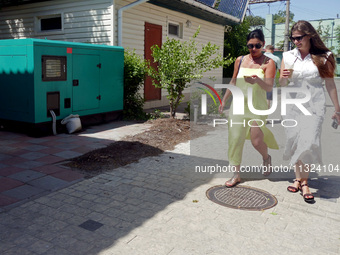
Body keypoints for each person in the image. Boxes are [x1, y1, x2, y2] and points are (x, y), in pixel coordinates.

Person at [279, 20, 340, 203]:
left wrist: (337, 109)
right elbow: (281, 84)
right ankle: (298, 178)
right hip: (292, 105)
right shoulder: (288, 56)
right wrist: (282, 78)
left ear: (309, 36)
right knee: (296, 142)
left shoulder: (324, 56)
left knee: (308, 142)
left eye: (299, 38)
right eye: (293, 38)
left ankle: (304, 182)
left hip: (314, 105)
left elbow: (330, 84)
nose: (295, 41)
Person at [219, 29, 279, 187]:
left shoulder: (269, 63)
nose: (253, 49)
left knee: (256, 141)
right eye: (250, 45)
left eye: (257, 45)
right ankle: (236, 174)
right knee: (235, 139)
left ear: (263, 44)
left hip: (257, 107)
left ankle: (266, 158)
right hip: (237, 107)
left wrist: (257, 81)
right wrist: (224, 100)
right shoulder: (240, 60)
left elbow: (268, 87)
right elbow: (232, 81)